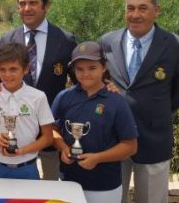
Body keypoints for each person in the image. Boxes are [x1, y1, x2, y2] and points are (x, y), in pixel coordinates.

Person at [99, 0, 179, 203]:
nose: (135, 15)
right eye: (130, 8)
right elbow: (99, 81)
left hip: (154, 139)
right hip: (112, 139)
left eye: (142, 8)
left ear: (156, 10)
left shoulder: (176, 46)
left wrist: (152, 113)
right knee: (111, 198)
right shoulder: (107, 42)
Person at [0, 0, 77, 180]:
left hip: (50, 127)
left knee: (50, 185)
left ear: (46, 6)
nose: (26, 8)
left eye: (33, 3)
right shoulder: (7, 39)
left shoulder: (65, 39)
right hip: (16, 131)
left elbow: (79, 80)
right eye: (22, 4)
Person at [52, 41, 138, 203]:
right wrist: (63, 148)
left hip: (104, 187)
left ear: (104, 67)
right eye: (79, 69)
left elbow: (130, 146)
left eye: (92, 68)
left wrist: (98, 158)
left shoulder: (117, 101)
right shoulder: (64, 97)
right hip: (68, 182)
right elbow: (52, 130)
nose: (85, 74)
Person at [0, 43, 53, 180]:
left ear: (25, 69)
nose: (7, 75)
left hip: (27, 167)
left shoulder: (38, 97)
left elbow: (48, 137)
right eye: (3, 69)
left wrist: (23, 151)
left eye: (13, 69)